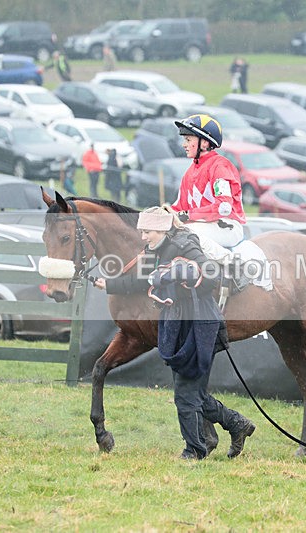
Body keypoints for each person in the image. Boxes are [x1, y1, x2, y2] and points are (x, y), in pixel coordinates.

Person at [93, 206, 256, 460]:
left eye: (146, 231)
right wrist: (110, 284)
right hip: (177, 322)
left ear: (161, 229)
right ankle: (237, 424)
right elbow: (145, 280)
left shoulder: (185, 243)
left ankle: (194, 451)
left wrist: (176, 276)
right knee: (195, 393)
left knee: (185, 394)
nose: (143, 237)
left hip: (198, 322)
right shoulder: (153, 250)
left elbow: (209, 275)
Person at [172, 114, 246, 260]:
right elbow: (180, 207)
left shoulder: (220, 166)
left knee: (186, 233)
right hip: (202, 226)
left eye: (188, 140)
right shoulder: (190, 172)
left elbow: (224, 207)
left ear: (204, 143)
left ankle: (233, 264)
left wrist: (188, 215)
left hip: (227, 226)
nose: (184, 144)